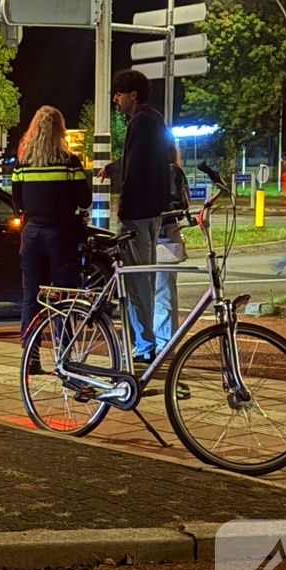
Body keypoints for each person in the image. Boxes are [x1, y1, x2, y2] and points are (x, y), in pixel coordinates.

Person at [98, 70, 172, 364]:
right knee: (144, 278)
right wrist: (112, 168)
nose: (115, 99)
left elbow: (137, 168)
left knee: (136, 280)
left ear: (133, 95)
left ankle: (144, 347)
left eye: (118, 93)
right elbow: (139, 160)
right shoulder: (153, 120)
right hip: (152, 213)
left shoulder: (140, 122)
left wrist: (124, 208)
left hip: (138, 215)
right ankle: (145, 343)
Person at [11, 105, 92, 339]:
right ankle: (65, 352)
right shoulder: (69, 162)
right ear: (60, 131)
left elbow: (16, 202)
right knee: (64, 297)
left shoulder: (23, 163)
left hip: (32, 234)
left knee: (30, 297)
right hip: (61, 234)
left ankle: (30, 356)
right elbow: (84, 200)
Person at [156, 141, 191, 354]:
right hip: (166, 235)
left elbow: (176, 203)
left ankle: (164, 342)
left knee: (162, 290)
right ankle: (163, 340)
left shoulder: (169, 171)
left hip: (164, 235)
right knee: (163, 289)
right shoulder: (172, 170)